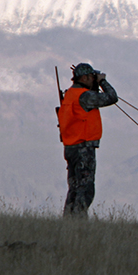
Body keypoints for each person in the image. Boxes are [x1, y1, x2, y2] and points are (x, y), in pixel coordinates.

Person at [58, 63, 119, 217]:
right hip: (83, 147)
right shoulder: (85, 96)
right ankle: (79, 221)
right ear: (84, 78)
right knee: (85, 188)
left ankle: (68, 220)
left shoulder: (70, 94)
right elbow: (112, 97)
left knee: (74, 188)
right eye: (91, 77)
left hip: (70, 147)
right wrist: (102, 81)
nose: (93, 80)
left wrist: (94, 84)